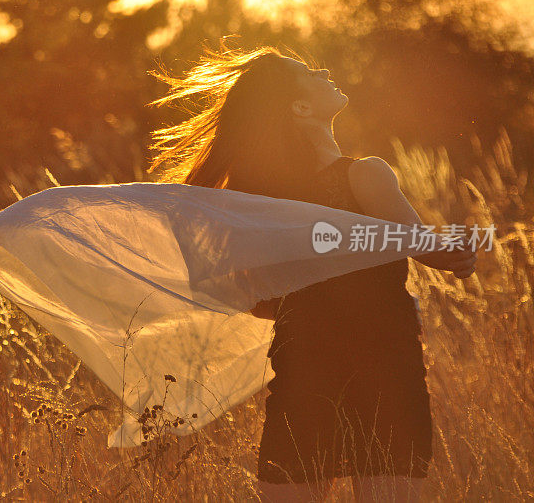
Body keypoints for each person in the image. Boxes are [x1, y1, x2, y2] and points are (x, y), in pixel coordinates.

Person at [145, 42, 477, 502]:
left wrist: (309, 309)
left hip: (305, 373)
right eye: (309, 73)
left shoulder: (262, 204)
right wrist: (466, 248)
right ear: (301, 107)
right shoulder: (366, 176)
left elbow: (249, 297)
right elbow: (433, 252)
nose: (324, 71)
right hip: (386, 369)